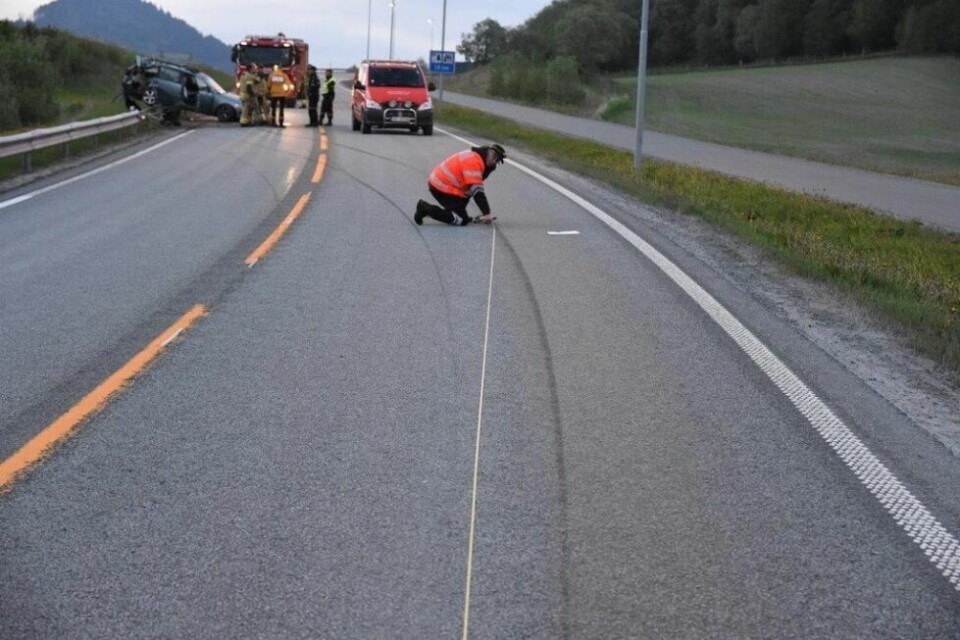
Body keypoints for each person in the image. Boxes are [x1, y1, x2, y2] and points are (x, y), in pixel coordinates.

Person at [415, 144, 506, 226]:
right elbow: (478, 192)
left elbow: (470, 189)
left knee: (465, 203)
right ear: (488, 151)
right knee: (461, 220)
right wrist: (486, 213)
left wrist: (461, 209)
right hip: (440, 186)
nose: (494, 161)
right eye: (494, 156)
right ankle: (424, 208)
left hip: (448, 186)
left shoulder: (484, 162)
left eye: (497, 160)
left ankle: (452, 212)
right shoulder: (474, 161)